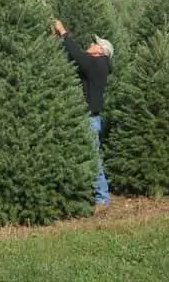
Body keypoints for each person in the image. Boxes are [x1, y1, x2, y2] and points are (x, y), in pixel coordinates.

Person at [52, 20, 113, 206]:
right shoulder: (95, 64)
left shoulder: (99, 64)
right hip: (84, 117)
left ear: (100, 51)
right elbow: (73, 59)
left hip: (90, 119)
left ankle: (102, 198)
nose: (91, 44)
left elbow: (78, 55)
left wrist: (63, 32)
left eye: (94, 43)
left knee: (93, 157)